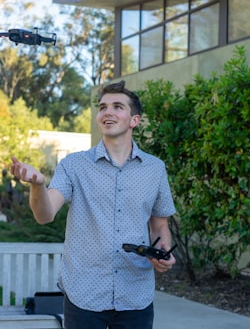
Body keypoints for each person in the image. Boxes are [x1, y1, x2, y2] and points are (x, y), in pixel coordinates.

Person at [10, 80, 176, 329]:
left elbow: (160, 226)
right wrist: (38, 185)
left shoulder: (155, 169)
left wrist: (163, 251)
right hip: (84, 295)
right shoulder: (73, 165)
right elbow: (45, 215)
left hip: (135, 295)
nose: (107, 112)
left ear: (134, 120)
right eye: (102, 107)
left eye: (118, 106)